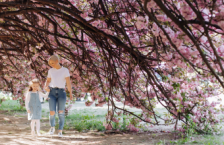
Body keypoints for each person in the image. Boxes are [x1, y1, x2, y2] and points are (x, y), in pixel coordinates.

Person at [44, 55, 73, 137]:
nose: (51, 65)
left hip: (61, 92)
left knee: (61, 112)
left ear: (57, 61)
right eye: (50, 64)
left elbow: (68, 83)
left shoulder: (65, 70)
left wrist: (70, 93)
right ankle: (52, 127)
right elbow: (48, 80)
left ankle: (60, 130)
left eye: (52, 63)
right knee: (52, 112)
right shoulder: (50, 71)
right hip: (52, 92)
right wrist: (46, 87)